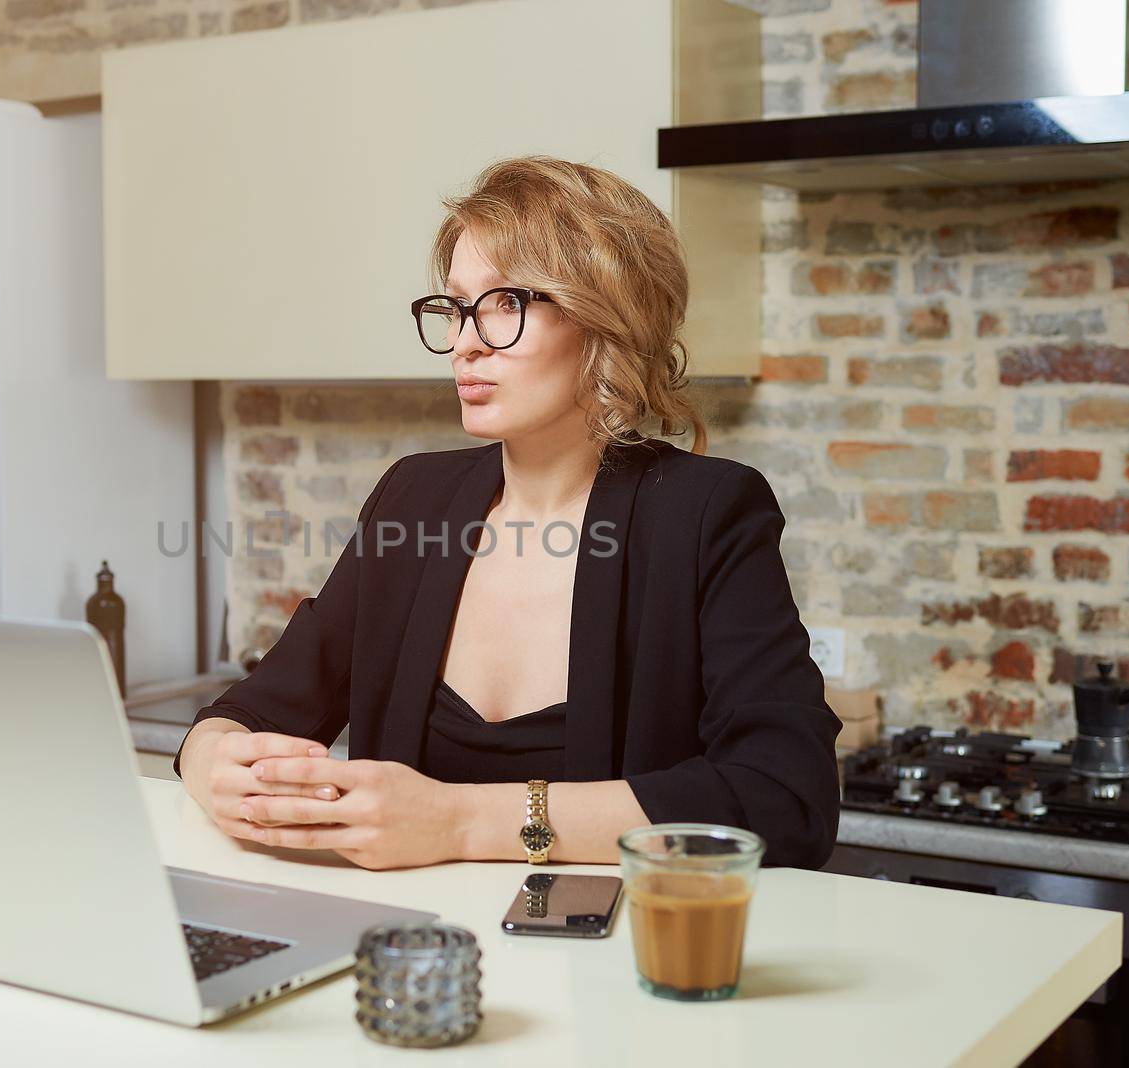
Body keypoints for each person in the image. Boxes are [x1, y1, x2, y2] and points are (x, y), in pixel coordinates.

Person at [175, 156, 840, 871]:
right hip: (412, 959)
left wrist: (460, 823)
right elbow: (250, 713)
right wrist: (214, 766)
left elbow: (786, 798)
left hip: (607, 967)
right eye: (458, 307)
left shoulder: (706, 513)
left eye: (505, 304)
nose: (465, 342)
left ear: (604, 319)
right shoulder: (414, 499)